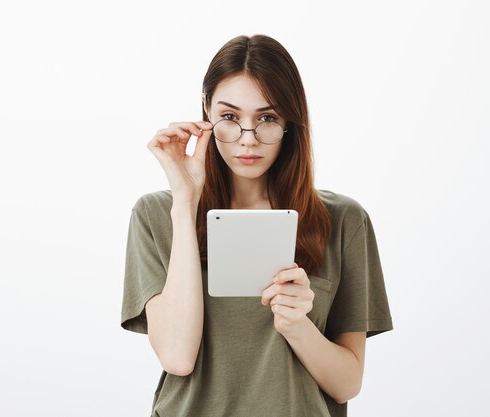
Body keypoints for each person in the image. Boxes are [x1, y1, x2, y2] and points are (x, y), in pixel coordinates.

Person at [120, 34, 393, 417]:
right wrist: (185, 203)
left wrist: (297, 325)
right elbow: (177, 357)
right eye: (229, 118)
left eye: (267, 118)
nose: (247, 140)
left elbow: (348, 384)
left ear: (290, 123)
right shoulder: (155, 215)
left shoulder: (344, 220)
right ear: (206, 111)